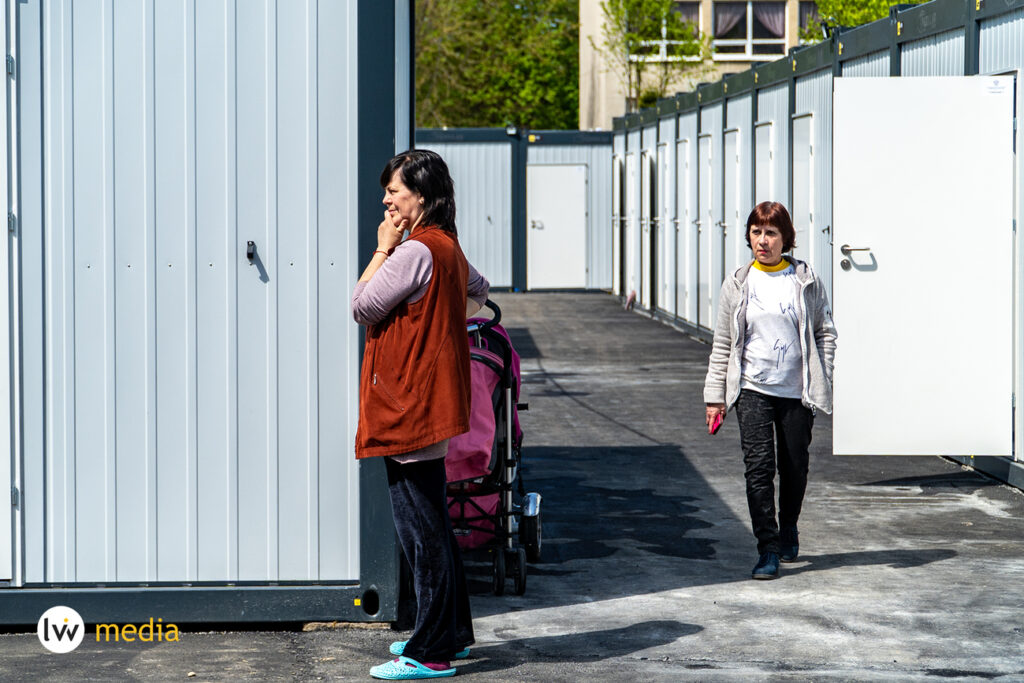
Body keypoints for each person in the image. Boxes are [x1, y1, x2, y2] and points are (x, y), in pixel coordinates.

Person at [352, 149, 488, 679]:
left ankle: (429, 652)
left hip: (407, 405)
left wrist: (382, 249)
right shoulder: (446, 247)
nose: (386, 199)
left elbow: (362, 306)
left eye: (396, 191)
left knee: (421, 532)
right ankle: (451, 636)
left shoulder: (411, 252)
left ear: (423, 198)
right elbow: (480, 291)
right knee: (433, 523)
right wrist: (441, 325)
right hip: (432, 401)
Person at [703, 201, 836, 580]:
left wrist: (822, 374)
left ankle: (789, 525)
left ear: (785, 239)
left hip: (796, 391)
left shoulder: (805, 280)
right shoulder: (738, 283)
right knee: (759, 470)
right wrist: (715, 397)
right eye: (757, 232)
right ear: (748, 236)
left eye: (771, 233)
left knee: (794, 465)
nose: (763, 241)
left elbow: (826, 332)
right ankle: (768, 548)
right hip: (752, 389)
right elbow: (723, 342)